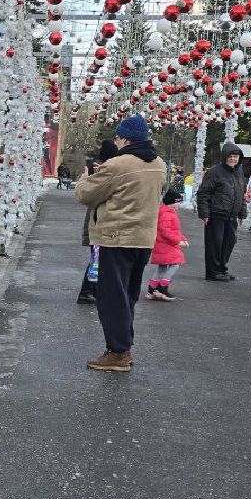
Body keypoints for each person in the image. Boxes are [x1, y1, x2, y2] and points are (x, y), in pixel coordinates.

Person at [75, 116, 166, 372]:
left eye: (117, 137)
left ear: (126, 138)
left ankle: (118, 352)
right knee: (127, 295)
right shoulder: (158, 163)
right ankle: (123, 346)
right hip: (143, 239)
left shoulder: (118, 164)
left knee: (111, 296)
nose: (115, 141)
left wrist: (85, 178)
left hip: (116, 237)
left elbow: (86, 194)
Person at [197, 142, 247, 281]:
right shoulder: (214, 172)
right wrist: (204, 213)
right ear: (225, 157)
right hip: (216, 214)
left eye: (236, 156)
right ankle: (213, 272)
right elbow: (203, 193)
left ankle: (222, 269)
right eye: (230, 156)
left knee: (228, 243)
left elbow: (240, 194)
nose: (233, 159)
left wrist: (242, 212)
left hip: (231, 216)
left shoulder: (238, 172)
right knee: (215, 244)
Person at [77, 140, 119, 305]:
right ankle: (87, 291)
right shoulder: (105, 172)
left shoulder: (104, 169)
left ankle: (93, 291)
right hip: (98, 225)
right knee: (97, 260)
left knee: (98, 260)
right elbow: (88, 196)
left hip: (98, 224)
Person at [147, 189, 189, 301]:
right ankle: (162, 287)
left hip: (162, 245)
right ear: (172, 202)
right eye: (178, 202)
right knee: (175, 264)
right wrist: (178, 241)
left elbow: (175, 230)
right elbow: (166, 231)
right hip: (167, 245)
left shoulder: (167, 212)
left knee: (162, 267)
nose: (180, 204)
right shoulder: (166, 214)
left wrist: (182, 238)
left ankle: (152, 289)